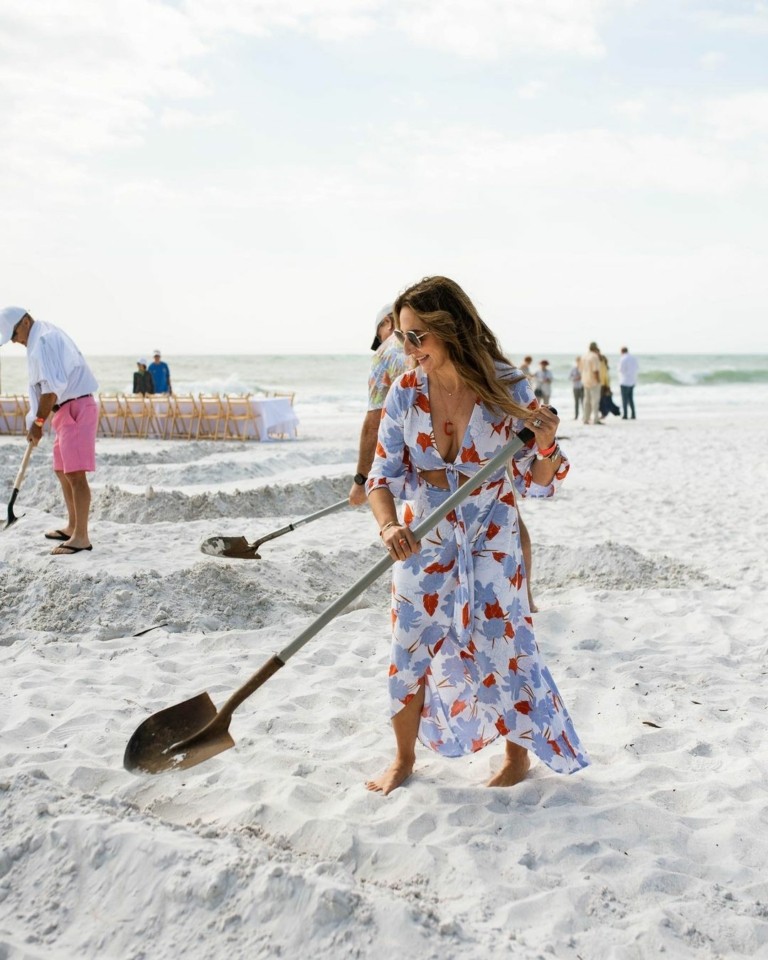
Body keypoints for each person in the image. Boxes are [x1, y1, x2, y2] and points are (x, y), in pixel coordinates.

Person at [364, 277, 589, 795]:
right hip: (424, 534)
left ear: (451, 329)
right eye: (402, 336)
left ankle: (517, 758)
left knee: (505, 645)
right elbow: (382, 477)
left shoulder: (505, 385)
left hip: (492, 536)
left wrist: (548, 445)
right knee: (408, 644)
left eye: (418, 336)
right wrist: (389, 524)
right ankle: (402, 758)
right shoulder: (405, 391)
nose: (408, 348)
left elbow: (538, 479)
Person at [0, 306, 99, 555]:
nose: (14, 341)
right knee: (61, 469)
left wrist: (38, 423)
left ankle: (81, 538)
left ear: (24, 322)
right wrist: (35, 420)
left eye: (13, 335)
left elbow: (51, 388)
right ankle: (73, 526)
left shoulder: (43, 339)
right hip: (63, 410)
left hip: (76, 407)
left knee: (76, 474)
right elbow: (43, 389)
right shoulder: (37, 339)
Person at [348, 304, 408, 507]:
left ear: (388, 322)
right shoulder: (435, 341)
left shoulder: (384, 352)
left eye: (379, 335)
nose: (381, 341)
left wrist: (361, 480)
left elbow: (374, 421)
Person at [580, 342, 602, 425]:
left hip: (585, 380)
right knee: (595, 401)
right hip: (593, 381)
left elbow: (581, 369)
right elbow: (595, 370)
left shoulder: (584, 356)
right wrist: (598, 380)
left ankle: (586, 418)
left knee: (586, 401)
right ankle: (596, 419)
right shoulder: (594, 356)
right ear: (595, 348)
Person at [618, 346, 639, 419]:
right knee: (631, 399)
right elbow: (636, 368)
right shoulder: (633, 358)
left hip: (624, 381)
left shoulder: (623, 358)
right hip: (632, 381)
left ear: (622, 351)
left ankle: (625, 415)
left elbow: (620, 369)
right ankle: (633, 414)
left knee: (624, 400)